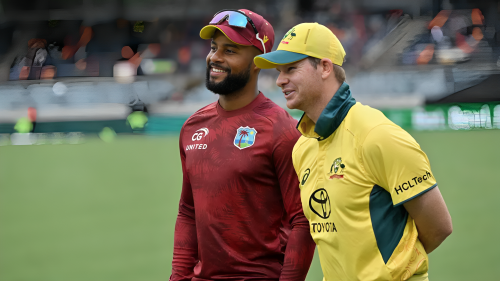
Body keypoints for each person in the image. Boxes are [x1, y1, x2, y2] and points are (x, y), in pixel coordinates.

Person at [254, 22, 453, 281]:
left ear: (325, 67)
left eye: (291, 69)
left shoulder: (376, 134)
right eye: (279, 71)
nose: (280, 80)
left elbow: (438, 227)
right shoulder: (302, 147)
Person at [170, 10, 316, 281]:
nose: (215, 57)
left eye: (230, 50)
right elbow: (187, 211)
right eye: (214, 48)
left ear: (258, 61)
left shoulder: (281, 130)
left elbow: (303, 221)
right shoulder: (193, 127)